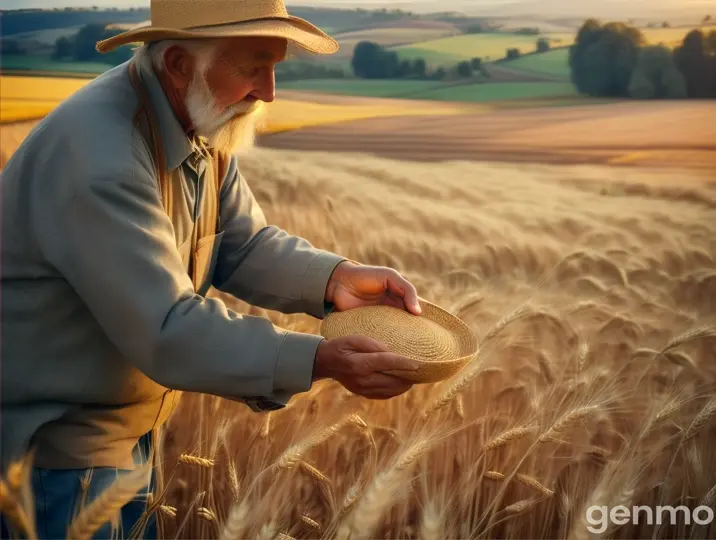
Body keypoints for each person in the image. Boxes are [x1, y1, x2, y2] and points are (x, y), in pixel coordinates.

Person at [0, 1, 423, 537]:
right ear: (178, 62)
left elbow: (241, 246)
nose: (269, 91)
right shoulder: (102, 157)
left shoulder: (192, 117)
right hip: (53, 459)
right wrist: (321, 360)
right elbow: (166, 330)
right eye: (252, 67)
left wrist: (336, 279)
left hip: (124, 441)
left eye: (275, 65)